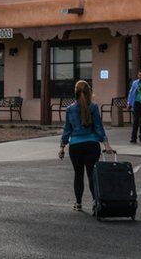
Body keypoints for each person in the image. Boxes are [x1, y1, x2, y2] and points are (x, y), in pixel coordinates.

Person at [59, 80, 113, 212]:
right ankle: (95, 202)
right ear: (89, 91)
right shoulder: (93, 107)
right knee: (91, 175)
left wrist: (62, 147)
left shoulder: (69, 109)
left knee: (78, 174)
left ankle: (78, 204)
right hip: (92, 145)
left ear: (75, 92)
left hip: (75, 146)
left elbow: (67, 129)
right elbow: (99, 127)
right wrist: (106, 144)